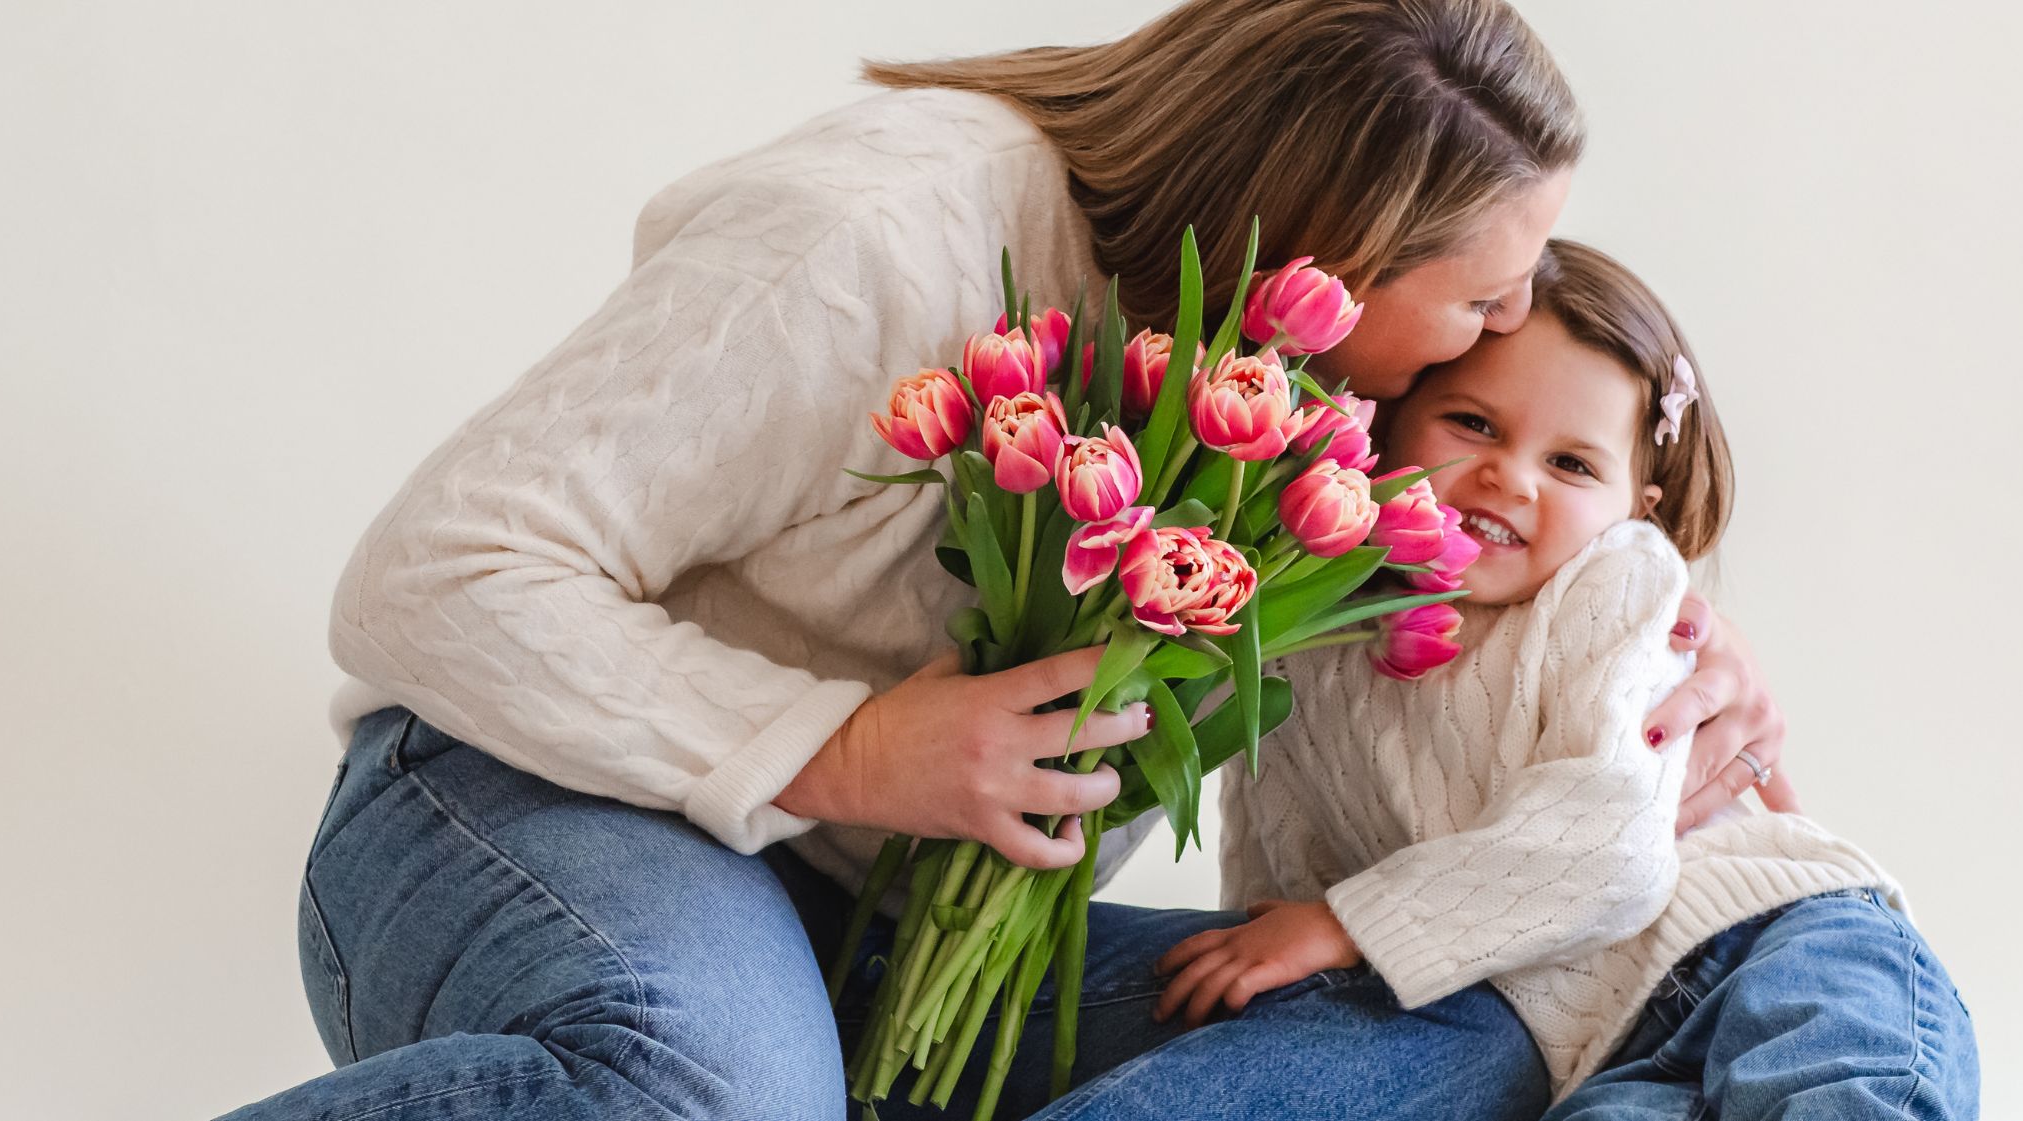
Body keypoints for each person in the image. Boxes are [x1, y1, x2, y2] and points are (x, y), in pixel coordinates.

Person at [218, 4, 1789, 1118]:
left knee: (1460, 1018)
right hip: (521, 806)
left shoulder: (1282, 390)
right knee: (712, 1095)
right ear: (1341, 243)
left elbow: (1487, 531)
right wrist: (847, 746)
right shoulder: (880, 235)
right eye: (1479, 301)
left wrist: (1638, 632)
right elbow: (434, 575)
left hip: (861, 931)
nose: (1499, 333)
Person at [1129, 240, 1977, 1119]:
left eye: (1571, 464)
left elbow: (1611, 850)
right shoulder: (1298, 623)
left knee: (1838, 1099)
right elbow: (1284, 847)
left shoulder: (1611, 581)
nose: (1510, 476)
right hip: (1592, 1045)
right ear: (1386, 425)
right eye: (1472, 424)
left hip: (1770, 942)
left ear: (1633, 506)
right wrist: (1281, 941)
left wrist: (1342, 925)